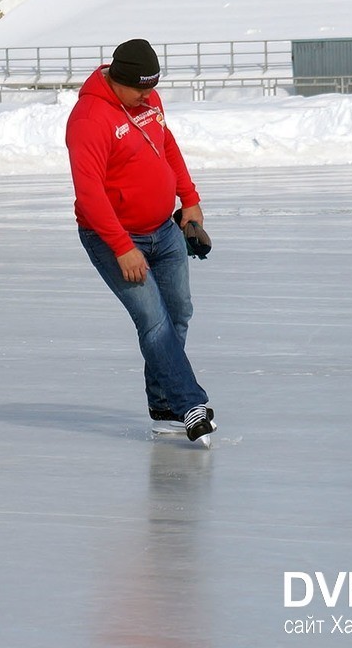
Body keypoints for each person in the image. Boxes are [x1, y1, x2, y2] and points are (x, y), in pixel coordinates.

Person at [65, 39, 215, 442]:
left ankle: (163, 404)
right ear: (117, 80)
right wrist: (122, 247)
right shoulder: (90, 120)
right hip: (114, 236)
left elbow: (167, 147)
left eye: (153, 87)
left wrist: (190, 200)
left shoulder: (147, 101)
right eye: (141, 89)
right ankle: (189, 404)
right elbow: (89, 193)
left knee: (179, 312)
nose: (149, 95)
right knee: (153, 321)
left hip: (163, 230)